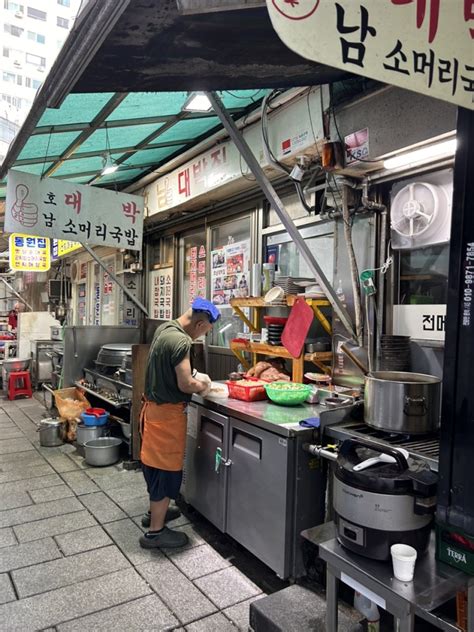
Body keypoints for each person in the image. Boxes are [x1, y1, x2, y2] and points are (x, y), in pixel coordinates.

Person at [139, 297, 220, 549]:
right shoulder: (181, 341)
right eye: (206, 330)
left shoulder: (166, 328)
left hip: (153, 411)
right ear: (199, 323)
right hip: (167, 416)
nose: (203, 335)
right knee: (166, 472)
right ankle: (156, 533)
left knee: (153, 466)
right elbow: (185, 383)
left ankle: (155, 514)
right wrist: (205, 385)